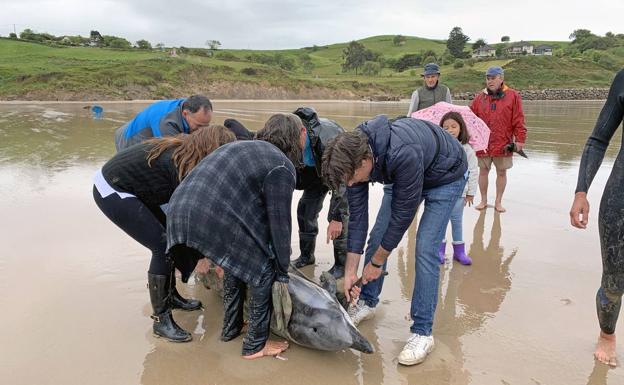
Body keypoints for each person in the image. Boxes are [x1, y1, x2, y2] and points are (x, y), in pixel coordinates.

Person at [322, 116, 467, 366]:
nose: (350, 183)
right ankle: (367, 301)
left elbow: (402, 217)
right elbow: (358, 218)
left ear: (366, 161)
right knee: (377, 235)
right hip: (408, 171)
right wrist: (350, 272)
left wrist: (377, 263)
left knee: (425, 248)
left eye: (352, 178)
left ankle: (422, 332)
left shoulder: (403, 152)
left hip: (446, 175)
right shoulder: (352, 157)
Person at [166, 114, 306, 360]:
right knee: (263, 269)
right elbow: (280, 223)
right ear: (299, 136)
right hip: (208, 215)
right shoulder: (281, 164)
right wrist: (282, 270)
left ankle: (231, 328)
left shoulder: (244, 146)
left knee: (237, 264)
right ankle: (255, 344)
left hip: (179, 208)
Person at [93, 125, 235, 342]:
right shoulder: (181, 166)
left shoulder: (188, 154)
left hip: (135, 188)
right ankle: (161, 321)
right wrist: (205, 257)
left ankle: (172, 297)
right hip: (112, 189)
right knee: (162, 247)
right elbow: (190, 219)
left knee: (170, 241)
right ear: (210, 150)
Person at [570, 69, 624, 367]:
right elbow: (598, 139)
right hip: (621, 200)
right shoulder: (623, 78)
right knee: (614, 285)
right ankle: (607, 334)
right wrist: (581, 191)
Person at [291, 107, 349, 279]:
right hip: (315, 173)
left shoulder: (327, 141)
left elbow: (343, 183)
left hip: (338, 172)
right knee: (304, 210)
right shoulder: (290, 136)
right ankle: (307, 256)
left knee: (339, 220)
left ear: (303, 133)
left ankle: (341, 266)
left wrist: (337, 217)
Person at [470, 66, 526, 213]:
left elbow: (518, 120)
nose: (490, 81)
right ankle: (483, 200)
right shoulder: (479, 98)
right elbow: (471, 120)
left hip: (504, 142)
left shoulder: (513, 96)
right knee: (483, 171)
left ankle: (498, 202)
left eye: (493, 78)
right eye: (488, 78)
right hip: (483, 143)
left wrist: (520, 139)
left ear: (501, 78)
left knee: (502, 172)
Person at [438, 112, 478, 265]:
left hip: (460, 193)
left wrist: (471, 192)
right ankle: (439, 250)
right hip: (441, 193)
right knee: (441, 221)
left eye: (454, 126)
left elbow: (473, 171)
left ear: (461, 128)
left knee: (457, 221)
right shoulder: (440, 147)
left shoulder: (467, 149)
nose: (450, 130)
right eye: (446, 127)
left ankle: (459, 252)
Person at [114, 95, 213, 151]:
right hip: (128, 139)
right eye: (198, 125)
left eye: (206, 126)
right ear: (185, 113)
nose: (202, 130)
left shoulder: (189, 106)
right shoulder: (166, 123)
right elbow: (172, 154)